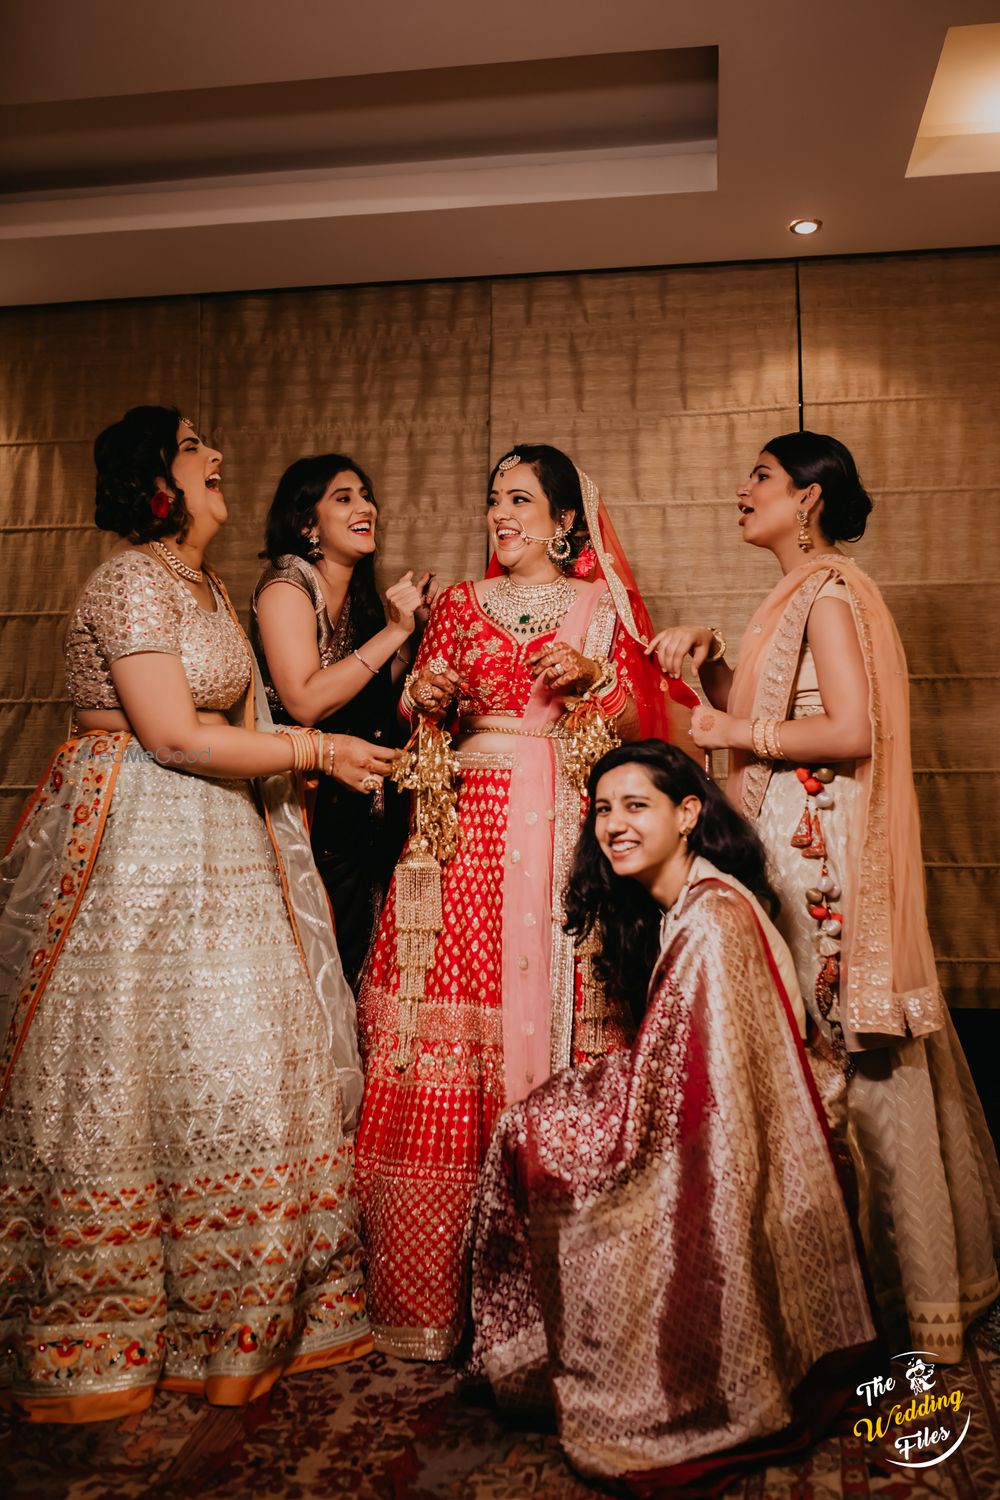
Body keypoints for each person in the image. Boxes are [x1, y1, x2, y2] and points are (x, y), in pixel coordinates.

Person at [0, 406, 393, 1421]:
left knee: (247, 1062)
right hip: (140, 848)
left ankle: (248, 1316)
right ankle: (125, 1326)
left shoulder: (203, 584)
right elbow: (173, 736)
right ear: (159, 481)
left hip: (222, 842)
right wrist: (320, 753)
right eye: (194, 446)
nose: (219, 456)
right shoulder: (131, 578)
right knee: (141, 1078)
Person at [651, 430, 1000, 1362]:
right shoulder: (798, 592)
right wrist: (710, 681)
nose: (741, 491)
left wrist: (731, 723)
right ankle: (849, 1290)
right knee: (821, 1057)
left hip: (825, 856)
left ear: (809, 496)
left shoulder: (833, 590)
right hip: (800, 843)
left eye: (760, 476)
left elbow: (845, 730)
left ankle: (899, 1303)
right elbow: (780, 720)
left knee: (850, 1050)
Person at [354, 444, 697, 1359]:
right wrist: (424, 693)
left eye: (519, 500)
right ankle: (442, 1298)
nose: (500, 515)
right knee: (457, 1025)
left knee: (565, 1009)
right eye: (493, 499)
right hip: (466, 835)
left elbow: (639, 716)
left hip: (563, 828)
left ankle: (576, 1291)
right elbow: (421, 711)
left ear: (564, 522)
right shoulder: (458, 603)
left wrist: (595, 685)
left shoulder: (597, 605)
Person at [467, 741, 876, 1492]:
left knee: (529, 1138)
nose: (613, 825)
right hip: (708, 1111)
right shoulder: (690, 903)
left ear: (688, 814)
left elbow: (698, 1099)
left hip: (726, 1140)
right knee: (535, 1119)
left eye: (636, 806)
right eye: (602, 810)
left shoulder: (711, 921)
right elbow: (680, 1059)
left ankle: (663, 1384)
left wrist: (575, 1113)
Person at [251, 454, 431, 987]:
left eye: (367, 495)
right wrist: (393, 636)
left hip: (354, 804)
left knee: (358, 956)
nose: (365, 507)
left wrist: (412, 636)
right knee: (314, 961)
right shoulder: (286, 583)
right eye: (344, 497)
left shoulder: (359, 598)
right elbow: (304, 701)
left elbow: (367, 699)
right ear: (308, 523)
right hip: (297, 802)